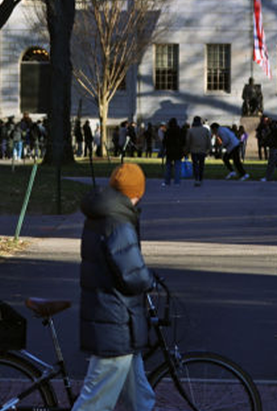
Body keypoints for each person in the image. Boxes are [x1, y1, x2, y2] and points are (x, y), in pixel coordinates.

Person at [73, 164, 157, 411]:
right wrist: (149, 279)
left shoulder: (102, 214)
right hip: (115, 321)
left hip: (114, 318)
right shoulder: (118, 221)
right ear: (137, 192)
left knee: (139, 397)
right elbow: (131, 273)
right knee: (95, 402)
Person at [186, 116, 211, 187]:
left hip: (193, 150)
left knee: (195, 164)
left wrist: (187, 149)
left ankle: (196, 178)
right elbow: (208, 140)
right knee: (201, 165)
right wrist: (209, 148)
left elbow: (188, 141)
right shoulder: (205, 130)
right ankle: (201, 178)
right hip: (202, 150)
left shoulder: (190, 130)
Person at [161, 118, 185, 187]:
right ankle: (177, 182)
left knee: (168, 167)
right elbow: (183, 141)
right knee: (177, 167)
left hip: (169, 151)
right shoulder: (180, 131)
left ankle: (167, 181)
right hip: (178, 151)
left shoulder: (168, 131)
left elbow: (164, 142)